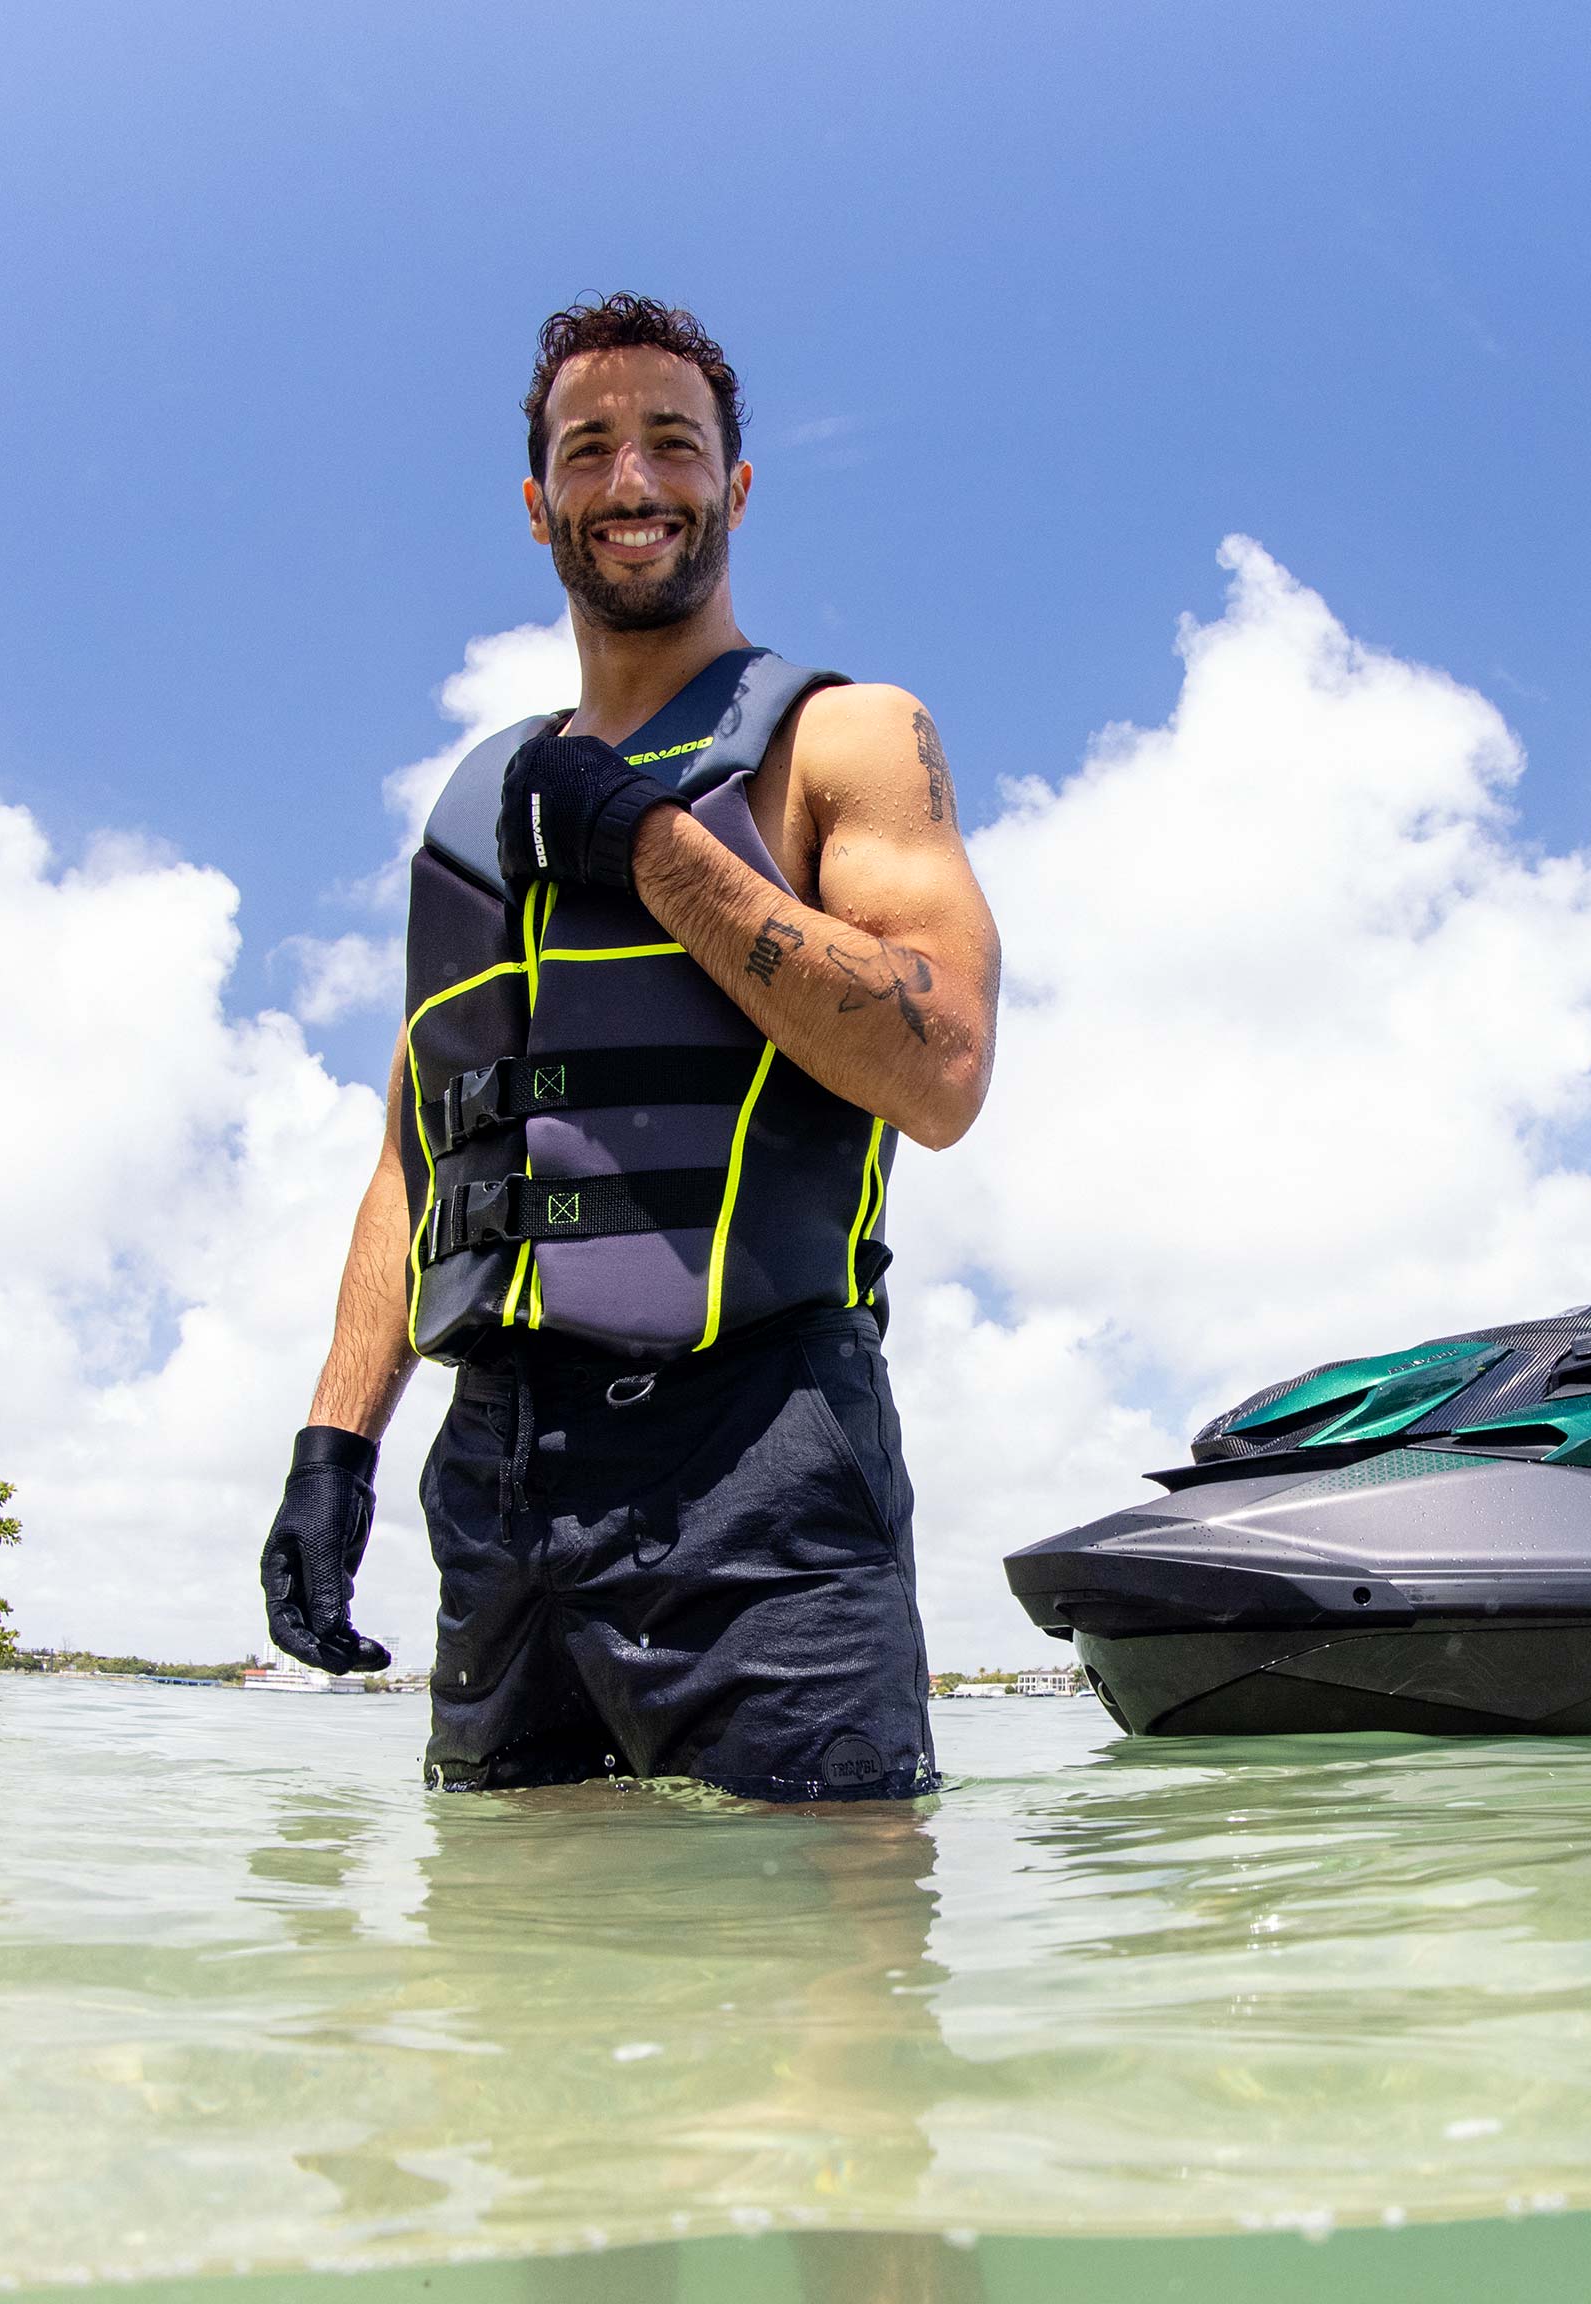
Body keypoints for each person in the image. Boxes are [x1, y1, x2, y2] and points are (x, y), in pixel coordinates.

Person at [257, 294, 1001, 1803]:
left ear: (733, 487)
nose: (633, 481)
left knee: (831, 1991)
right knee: (505, 1985)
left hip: (764, 1455)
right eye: (590, 449)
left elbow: (942, 1070)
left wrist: (656, 849)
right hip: (501, 1482)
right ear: (540, 504)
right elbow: (422, 1160)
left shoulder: (846, 739)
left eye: (675, 443)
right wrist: (333, 1448)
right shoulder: (475, 812)